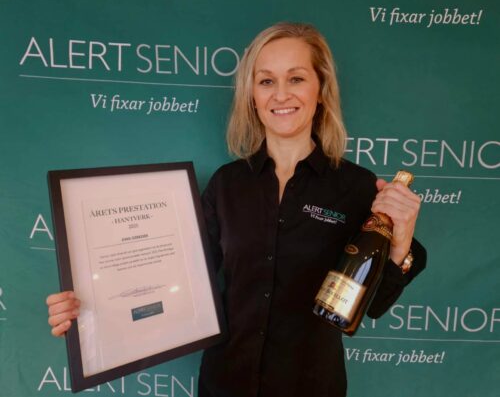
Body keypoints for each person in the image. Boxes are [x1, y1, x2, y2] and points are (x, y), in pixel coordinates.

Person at [47, 22, 426, 397]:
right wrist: (93, 314)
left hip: (311, 386)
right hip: (225, 384)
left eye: (296, 79)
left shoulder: (356, 187)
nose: (281, 94)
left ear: (321, 89)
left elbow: (374, 305)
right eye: (266, 81)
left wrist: (401, 242)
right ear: (252, 96)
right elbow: (176, 283)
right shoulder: (227, 184)